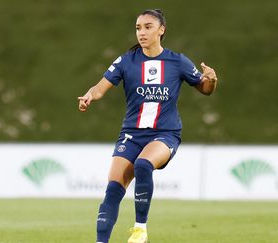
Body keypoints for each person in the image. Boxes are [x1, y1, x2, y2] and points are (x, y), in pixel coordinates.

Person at [78, 9, 217, 243]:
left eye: (148, 27)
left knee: (143, 164)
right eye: (138, 28)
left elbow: (204, 89)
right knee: (112, 190)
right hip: (131, 135)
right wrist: (89, 95)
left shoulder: (177, 61)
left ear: (161, 30)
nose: (141, 32)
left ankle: (140, 229)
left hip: (165, 134)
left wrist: (212, 80)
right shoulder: (126, 61)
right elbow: (99, 87)